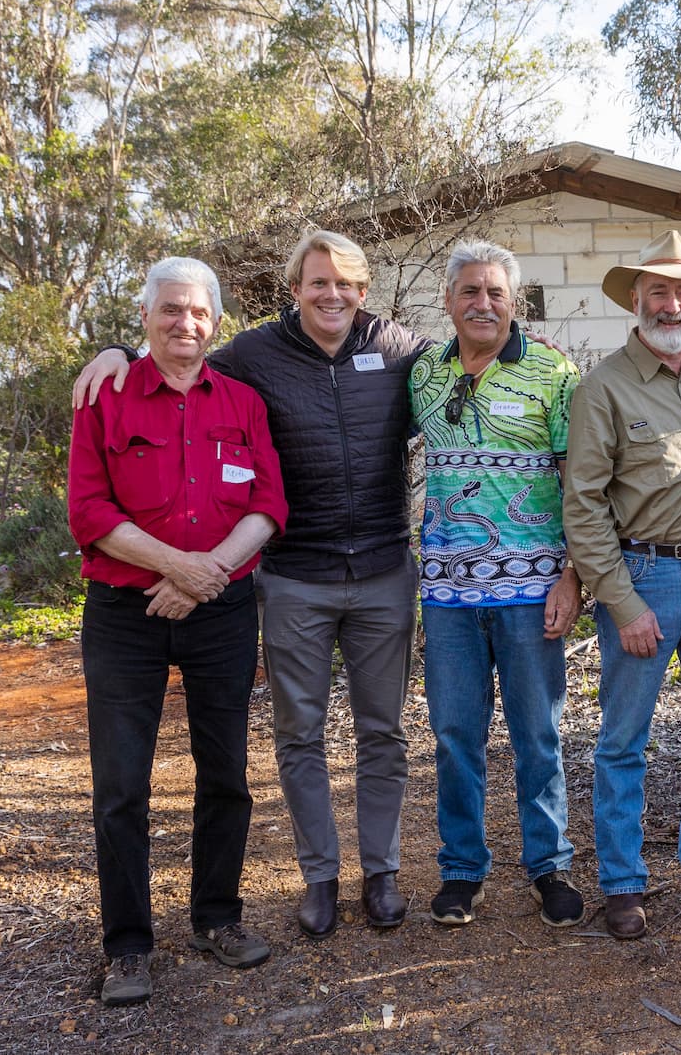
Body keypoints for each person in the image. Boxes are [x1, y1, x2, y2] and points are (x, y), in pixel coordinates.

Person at [74, 230, 427, 939]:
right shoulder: (246, 357)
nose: (332, 294)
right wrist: (117, 349)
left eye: (346, 283)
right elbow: (174, 357)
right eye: (317, 282)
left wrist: (200, 574)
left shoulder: (396, 351)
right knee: (278, 740)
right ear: (293, 288)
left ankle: (361, 878)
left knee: (356, 739)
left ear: (365, 291)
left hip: (374, 572)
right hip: (277, 580)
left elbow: (474, 357)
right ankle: (307, 882)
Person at [68, 257, 287, 1006]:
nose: (184, 323)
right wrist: (175, 566)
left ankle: (217, 917)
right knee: (120, 785)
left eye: (197, 312)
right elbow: (89, 512)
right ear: (146, 319)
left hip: (220, 611)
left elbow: (267, 505)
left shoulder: (244, 403)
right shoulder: (107, 394)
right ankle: (127, 945)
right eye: (170, 310)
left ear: (215, 322)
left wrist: (207, 575)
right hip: (124, 615)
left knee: (225, 773)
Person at [563, 230, 681, 939]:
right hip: (643, 575)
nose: (674, 304)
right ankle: (621, 880)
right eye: (660, 292)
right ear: (636, 302)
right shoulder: (604, 386)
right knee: (623, 739)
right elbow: (581, 503)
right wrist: (621, 599)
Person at [409, 239, 585, 928]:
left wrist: (575, 575)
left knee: (537, 734)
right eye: (470, 292)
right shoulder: (422, 372)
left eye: (496, 293)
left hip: (532, 590)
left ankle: (550, 864)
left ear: (514, 302)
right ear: (450, 301)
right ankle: (462, 869)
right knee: (455, 733)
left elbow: (580, 480)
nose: (483, 303)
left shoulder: (552, 372)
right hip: (448, 595)